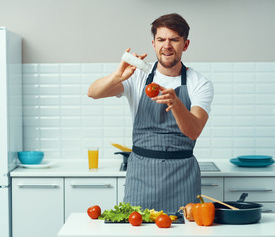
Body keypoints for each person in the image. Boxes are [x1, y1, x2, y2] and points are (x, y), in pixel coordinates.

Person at [87, 13, 214, 213]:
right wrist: (117, 76)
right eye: (161, 39)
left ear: (185, 44)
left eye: (174, 39)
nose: (167, 45)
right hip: (141, 176)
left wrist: (177, 104)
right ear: (153, 44)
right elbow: (93, 92)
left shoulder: (199, 83)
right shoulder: (137, 76)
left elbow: (194, 130)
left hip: (182, 176)